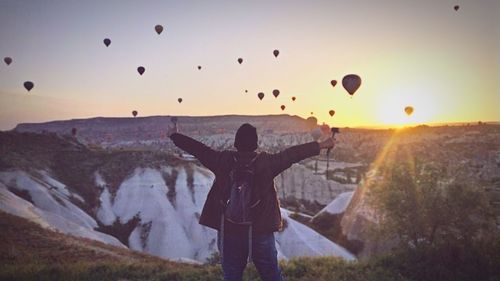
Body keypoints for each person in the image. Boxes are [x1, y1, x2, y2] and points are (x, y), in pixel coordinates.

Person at [169, 122, 335, 281]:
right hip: (260, 230)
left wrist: (175, 135)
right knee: (272, 275)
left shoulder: (223, 160)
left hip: (230, 230)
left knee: (232, 276)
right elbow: (292, 154)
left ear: (236, 143)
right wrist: (322, 144)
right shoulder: (267, 163)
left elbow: (199, 149)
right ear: (255, 143)